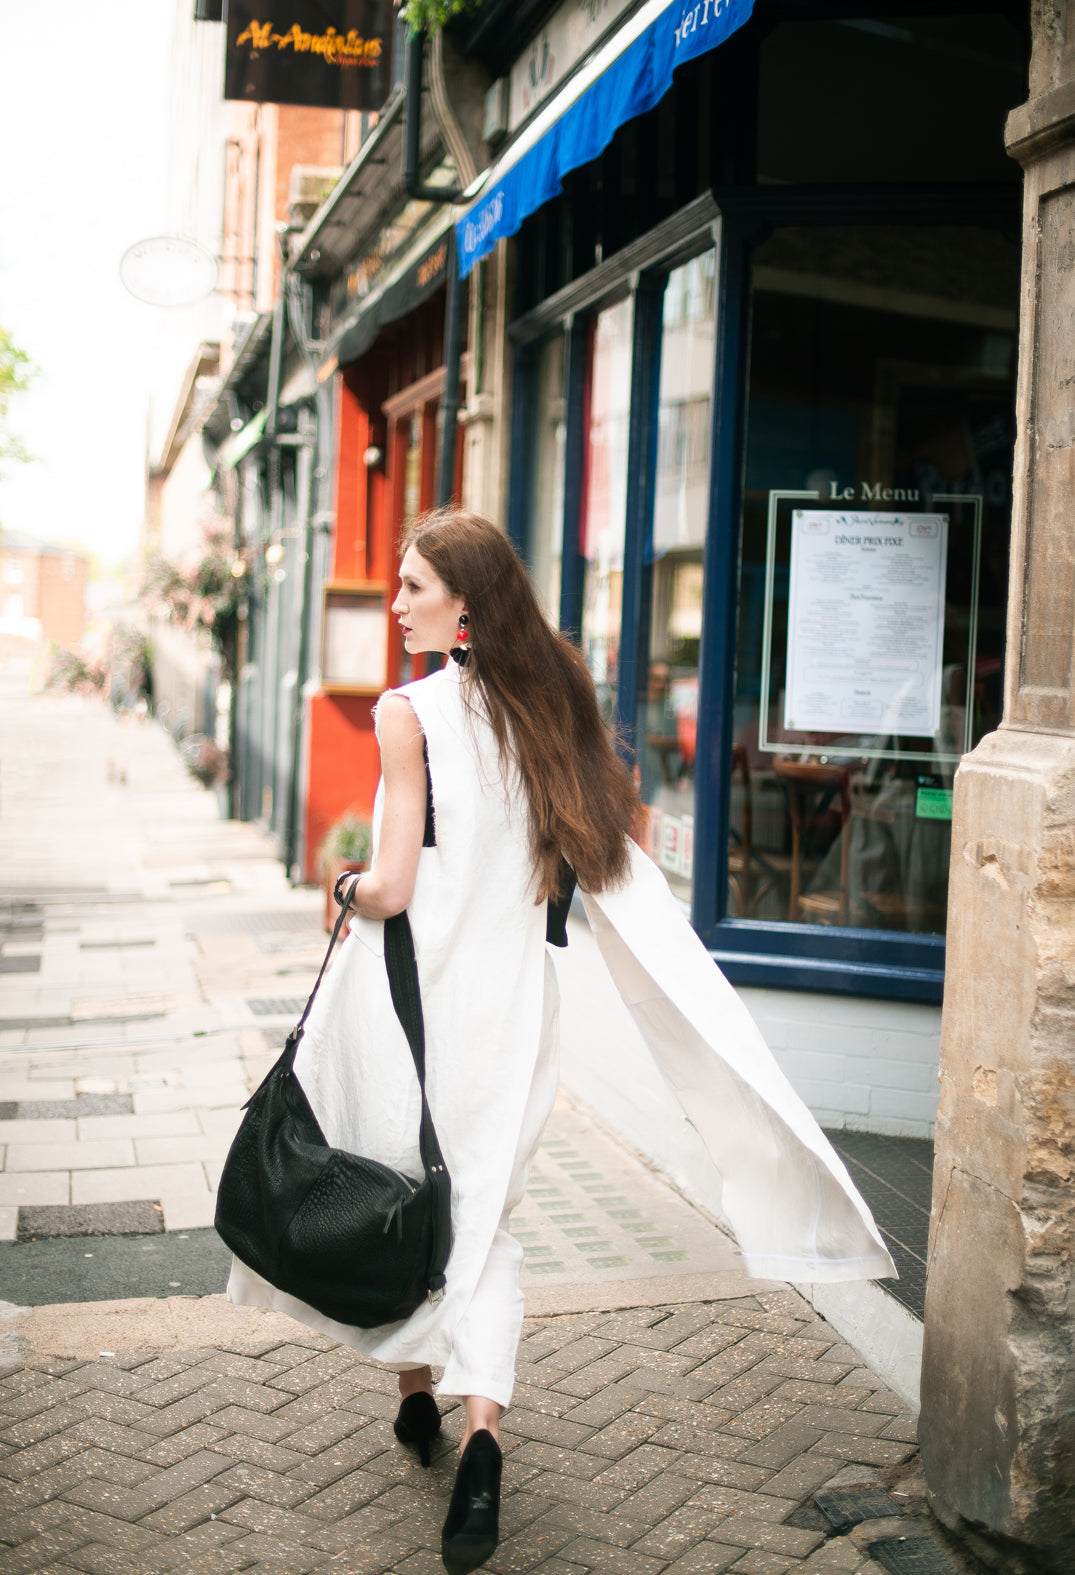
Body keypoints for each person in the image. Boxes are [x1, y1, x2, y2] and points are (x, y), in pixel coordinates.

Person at [227, 508, 895, 1575]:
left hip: (409, 1006)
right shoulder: (553, 701)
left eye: (412, 588)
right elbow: (606, 842)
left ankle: (414, 1401)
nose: (396, 606)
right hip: (514, 1008)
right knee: (478, 1213)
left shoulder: (409, 715)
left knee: (397, 1184)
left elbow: (392, 888)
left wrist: (341, 883)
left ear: (465, 604)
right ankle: (475, 1432)